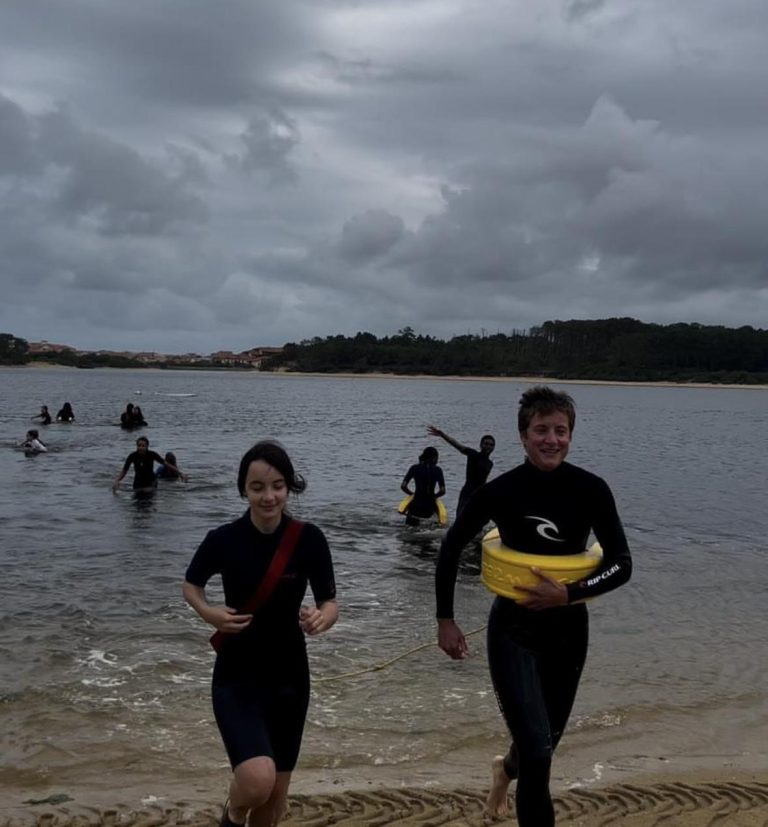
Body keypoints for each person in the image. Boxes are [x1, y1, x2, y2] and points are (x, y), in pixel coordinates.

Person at [434, 386, 632, 827]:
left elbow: (621, 564)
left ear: (570, 436)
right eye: (541, 430)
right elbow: (450, 550)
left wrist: (567, 594)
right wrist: (446, 620)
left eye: (560, 431)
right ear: (523, 437)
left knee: (541, 747)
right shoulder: (501, 492)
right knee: (540, 755)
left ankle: (503, 772)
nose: (551, 439)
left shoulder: (591, 490)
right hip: (512, 633)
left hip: (568, 633)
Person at [182, 440, 338, 827]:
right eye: (257, 487)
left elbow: (330, 601)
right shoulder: (222, 539)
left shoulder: (309, 539)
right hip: (237, 675)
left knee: (273, 803)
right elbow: (191, 585)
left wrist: (322, 619)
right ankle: (233, 812)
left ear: (289, 487)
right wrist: (209, 613)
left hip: (290, 676)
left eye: (278, 485)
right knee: (256, 783)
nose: (269, 496)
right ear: (244, 490)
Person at [427, 425, 495, 515]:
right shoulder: (473, 454)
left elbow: (483, 481)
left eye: (491, 445)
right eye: (486, 443)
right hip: (467, 493)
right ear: (481, 445)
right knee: (460, 518)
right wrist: (442, 435)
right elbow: (457, 445)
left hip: (479, 495)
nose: (488, 446)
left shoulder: (490, 463)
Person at [112, 436, 186, 492]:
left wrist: (180, 473)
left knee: (149, 504)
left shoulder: (152, 454)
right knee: (136, 506)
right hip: (138, 483)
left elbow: (166, 463)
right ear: (137, 446)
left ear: (147, 446)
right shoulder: (132, 456)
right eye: (139, 445)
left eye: (143, 446)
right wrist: (117, 480)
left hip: (151, 482)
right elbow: (124, 470)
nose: (141, 447)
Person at [400, 446, 446, 526]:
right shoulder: (438, 470)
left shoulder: (414, 468)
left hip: (416, 504)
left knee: (409, 528)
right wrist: (434, 496)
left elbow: (403, 486)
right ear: (434, 458)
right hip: (430, 506)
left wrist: (412, 494)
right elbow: (442, 490)